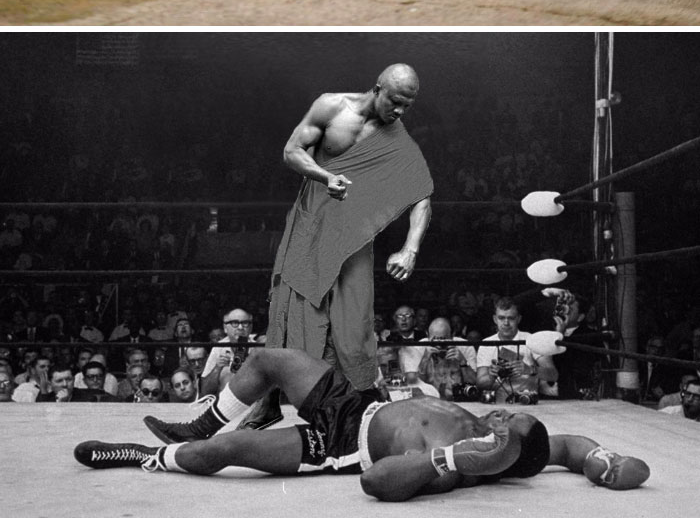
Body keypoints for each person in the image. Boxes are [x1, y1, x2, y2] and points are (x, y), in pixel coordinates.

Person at [73, 345, 650, 497]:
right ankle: (199, 423)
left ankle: (149, 457)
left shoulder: (457, 469)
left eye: (506, 422)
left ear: (501, 449)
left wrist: (451, 459)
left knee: (227, 455)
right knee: (271, 359)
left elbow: (375, 484)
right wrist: (607, 462)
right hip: (357, 400)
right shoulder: (519, 442)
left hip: (338, 443)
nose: (500, 410)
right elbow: (570, 445)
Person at [247, 66, 431, 429]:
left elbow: (423, 195)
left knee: (354, 322)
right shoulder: (331, 107)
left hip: (352, 241)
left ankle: (364, 407)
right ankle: (267, 403)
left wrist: (410, 247)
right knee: (287, 312)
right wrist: (325, 175)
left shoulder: (396, 137)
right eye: (395, 102)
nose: (399, 112)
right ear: (377, 89)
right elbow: (292, 151)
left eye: (407, 106)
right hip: (310, 227)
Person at [476, 299, 539, 403]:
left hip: (527, 402)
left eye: (511, 318)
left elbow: (552, 374)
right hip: (496, 404)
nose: (506, 323)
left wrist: (530, 369)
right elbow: (480, 384)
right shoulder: (486, 343)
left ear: (519, 319)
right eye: (501, 318)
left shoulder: (532, 339)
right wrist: (491, 375)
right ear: (495, 319)